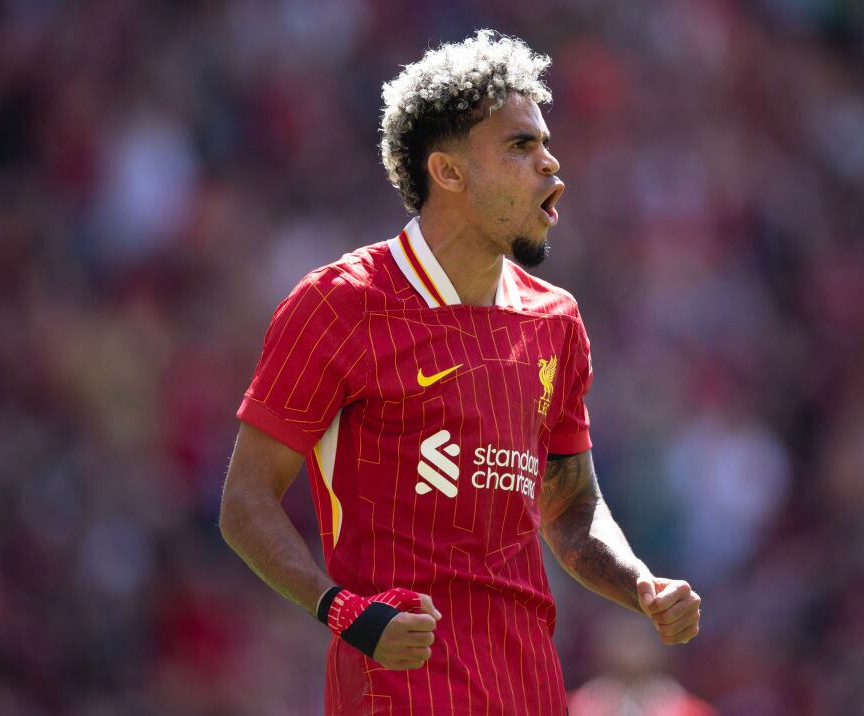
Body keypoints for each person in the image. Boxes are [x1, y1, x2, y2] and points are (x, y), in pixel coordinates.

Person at [219, 29, 701, 714]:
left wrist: (640, 585)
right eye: (519, 146)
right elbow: (245, 504)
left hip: (531, 691)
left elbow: (570, 512)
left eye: (546, 143)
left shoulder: (555, 320)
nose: (552, 165)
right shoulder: (338, 305)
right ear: (448, 172)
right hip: (398, 693)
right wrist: (341, 610)